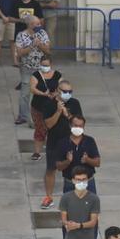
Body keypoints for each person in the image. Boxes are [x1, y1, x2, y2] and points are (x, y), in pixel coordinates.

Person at [32, 72, 80, 211]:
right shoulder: (49, 104)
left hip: (71, 142)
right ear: (58, 91)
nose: (67, 94)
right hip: (54, 142)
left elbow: (78, 123)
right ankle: (48, 197)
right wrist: (58, 112)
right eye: (65, 91)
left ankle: (74, 197)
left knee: (74, 170)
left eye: (70, 91)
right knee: (51, 169)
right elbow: (49, 125)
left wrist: (67, 114)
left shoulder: (74, 103)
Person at [18, 17, 53, 126]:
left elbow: (48, 50)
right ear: (30, 25)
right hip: (27, 68)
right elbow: (20, 53)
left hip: (40, 69)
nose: (39, 25)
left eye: (39, 23)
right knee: (25, 93)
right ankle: (23, 116)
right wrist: (32, 45)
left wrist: (39, 44)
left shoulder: (43, 34)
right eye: (37, 23)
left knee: (40, 92)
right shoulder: (21, 35)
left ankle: (40, 116)